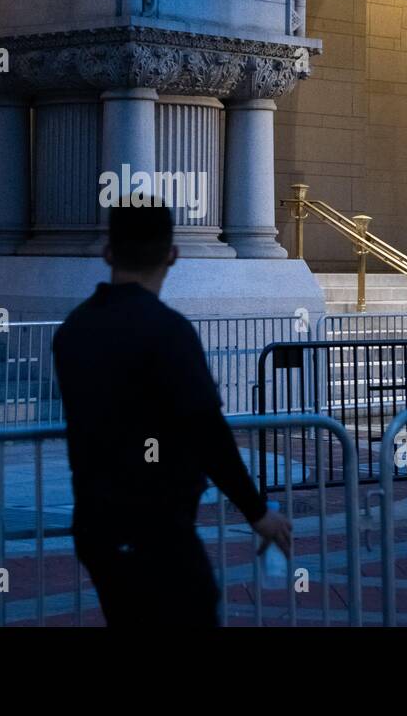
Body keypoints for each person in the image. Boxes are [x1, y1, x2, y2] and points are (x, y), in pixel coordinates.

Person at [52, 201, 293, 626]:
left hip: (95, 524)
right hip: (156, 527)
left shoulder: (73, 330)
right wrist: (257, 513)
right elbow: (209, 434)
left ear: (108, 253)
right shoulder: (169, 332)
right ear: (172, 255)